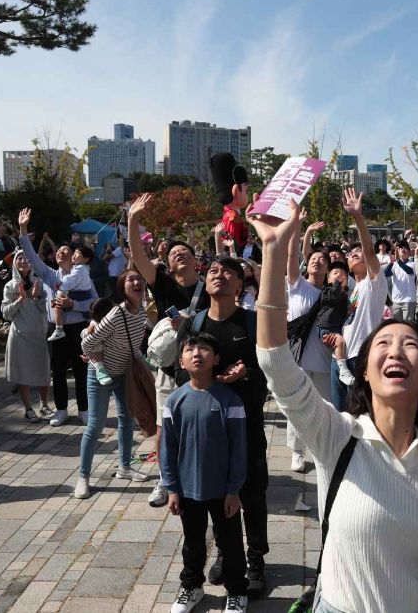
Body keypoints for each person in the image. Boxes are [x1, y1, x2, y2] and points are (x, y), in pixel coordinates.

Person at [249, 202, 418, 613]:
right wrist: (272, 250)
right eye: (383, 345)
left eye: (410, 345)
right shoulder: (338, 434)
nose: (396, 351)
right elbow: (275, 363)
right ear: (366, 371)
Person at [170, 256, 270, 597]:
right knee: (214, 495)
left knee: (252, 495)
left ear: (240, 285)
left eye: (229, 272)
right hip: (209, 433)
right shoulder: (194, 324)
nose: (220, 275)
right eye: (213, 270)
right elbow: (180, 374)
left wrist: (246, 375)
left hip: (248, 425)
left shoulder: (253, 323)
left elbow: (273, 374)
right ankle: (229, 554)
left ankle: (255, 560)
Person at [127, 193, 210, 508]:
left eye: (184, 251)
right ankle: (165, 481)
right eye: (174, 252)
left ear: (194, 260)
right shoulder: (161, 283)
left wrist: (193, 325)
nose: (179, 254)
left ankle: (197, 474)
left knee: (200, 424)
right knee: (165, 427)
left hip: (200, 367)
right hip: (167, 369)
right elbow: (138, 255)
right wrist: (133, 220)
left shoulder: (208, 287)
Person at [162, 333, 249, 613]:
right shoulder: (174, 400)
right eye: (190, 349)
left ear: (216, 358)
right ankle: (192, 586)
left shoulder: (230, 400)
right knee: (193, 543)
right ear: (182, 361)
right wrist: (172, 488)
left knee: (231, 543)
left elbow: (239, 449)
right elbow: (168, 448)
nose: (197, 353)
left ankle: (236, 591)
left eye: (204, 349)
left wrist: (234, 489)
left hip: (224, 491)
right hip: (188, 490)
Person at [75, 270, 151, 499]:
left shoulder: (142, 313)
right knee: (95, 425)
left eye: (140, 278)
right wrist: (97, 363)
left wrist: (144, 362)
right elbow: (87, 343)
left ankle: (125, 468)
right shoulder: (117, 314)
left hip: (123, 375)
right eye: (130, 279)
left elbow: (133, 346)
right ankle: (83, 477)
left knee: (126, 420)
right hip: (100, 374)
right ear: (122, 288)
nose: (137, 282)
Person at [18, 209, 95, 427]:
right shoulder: (50, 276)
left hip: (78, 327)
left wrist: (75, 305)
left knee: (81, 370)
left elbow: (95, 303)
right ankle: (61, 409)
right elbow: (32, 257)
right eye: (58, 250)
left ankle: (84, 409)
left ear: (75, 256)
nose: (61, 252)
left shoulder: (83, 276)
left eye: (66, 250)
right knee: (58, 370)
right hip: (55, 328)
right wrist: (23, 229)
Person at [333, 188, 387, 411]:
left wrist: (357, 217)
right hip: (342, 359)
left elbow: (370, 253)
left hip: (361, 357)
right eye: (350, 254)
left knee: (361, 415)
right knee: (341, 416)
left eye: (358, 253)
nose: (353, 255)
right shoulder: (353, 289)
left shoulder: (374, 282)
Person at [286, 218, 332, 473]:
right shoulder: (297, 286)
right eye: (314, 258)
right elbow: (292, 254)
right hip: (299, 358)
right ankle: (297, 451)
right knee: (298, 406)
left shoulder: (333, 293)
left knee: (323, 407)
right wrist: (297, 227)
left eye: (322, 260)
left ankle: (319, 448)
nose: (317, 261)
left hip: (324, 359)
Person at [1, 250, 52, 423]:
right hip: (19, 334)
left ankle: (44, 405)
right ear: (14, 263)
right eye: (19, 258)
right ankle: (28, 408)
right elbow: (6, 314)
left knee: (43, 370)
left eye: (26, 258)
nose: (23, 261)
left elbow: (49, 310)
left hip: (38, 333)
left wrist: (37, 297)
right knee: (23, 372)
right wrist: (20, 300)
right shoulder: (10, 286)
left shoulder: (40, 282)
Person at [47, 244, 94, 342]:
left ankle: (59, 329)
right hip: (82, 294)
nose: (60, 252)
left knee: (56, 302)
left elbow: (70, 281)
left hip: (80, 298)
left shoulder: (79, 269)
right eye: (59, 250)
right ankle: (93, 323)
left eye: (78, 253)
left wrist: (61, 285)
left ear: (86, 259)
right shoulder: (82, 269)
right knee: (87, 314)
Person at [386, 240, 418, 320]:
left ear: (409, 252)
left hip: (409, 300)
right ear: (398, 251)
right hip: (396, 300)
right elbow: (386, 274)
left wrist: (397, 261)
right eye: (400, 248)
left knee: (407, 325)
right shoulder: (395, 264)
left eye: (405, 248)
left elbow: (408, 270)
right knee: (397, 325)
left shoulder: (413, 264)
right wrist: (391, 263)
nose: (403, 250)